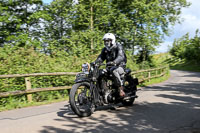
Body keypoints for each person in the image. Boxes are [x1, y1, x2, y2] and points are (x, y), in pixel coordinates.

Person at [95, 33, 127, 97]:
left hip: (120, 66)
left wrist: (114, 62)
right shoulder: (105, 49)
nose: (106, 43)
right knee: (100, 72)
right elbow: (101, 58)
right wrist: (95, 63)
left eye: (108, 41)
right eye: (105, 41)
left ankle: (121, 89)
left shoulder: (118, 46)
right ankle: (102, 91)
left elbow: (121, 56)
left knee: (114, 71)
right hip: (109, 67)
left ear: (112, 40)